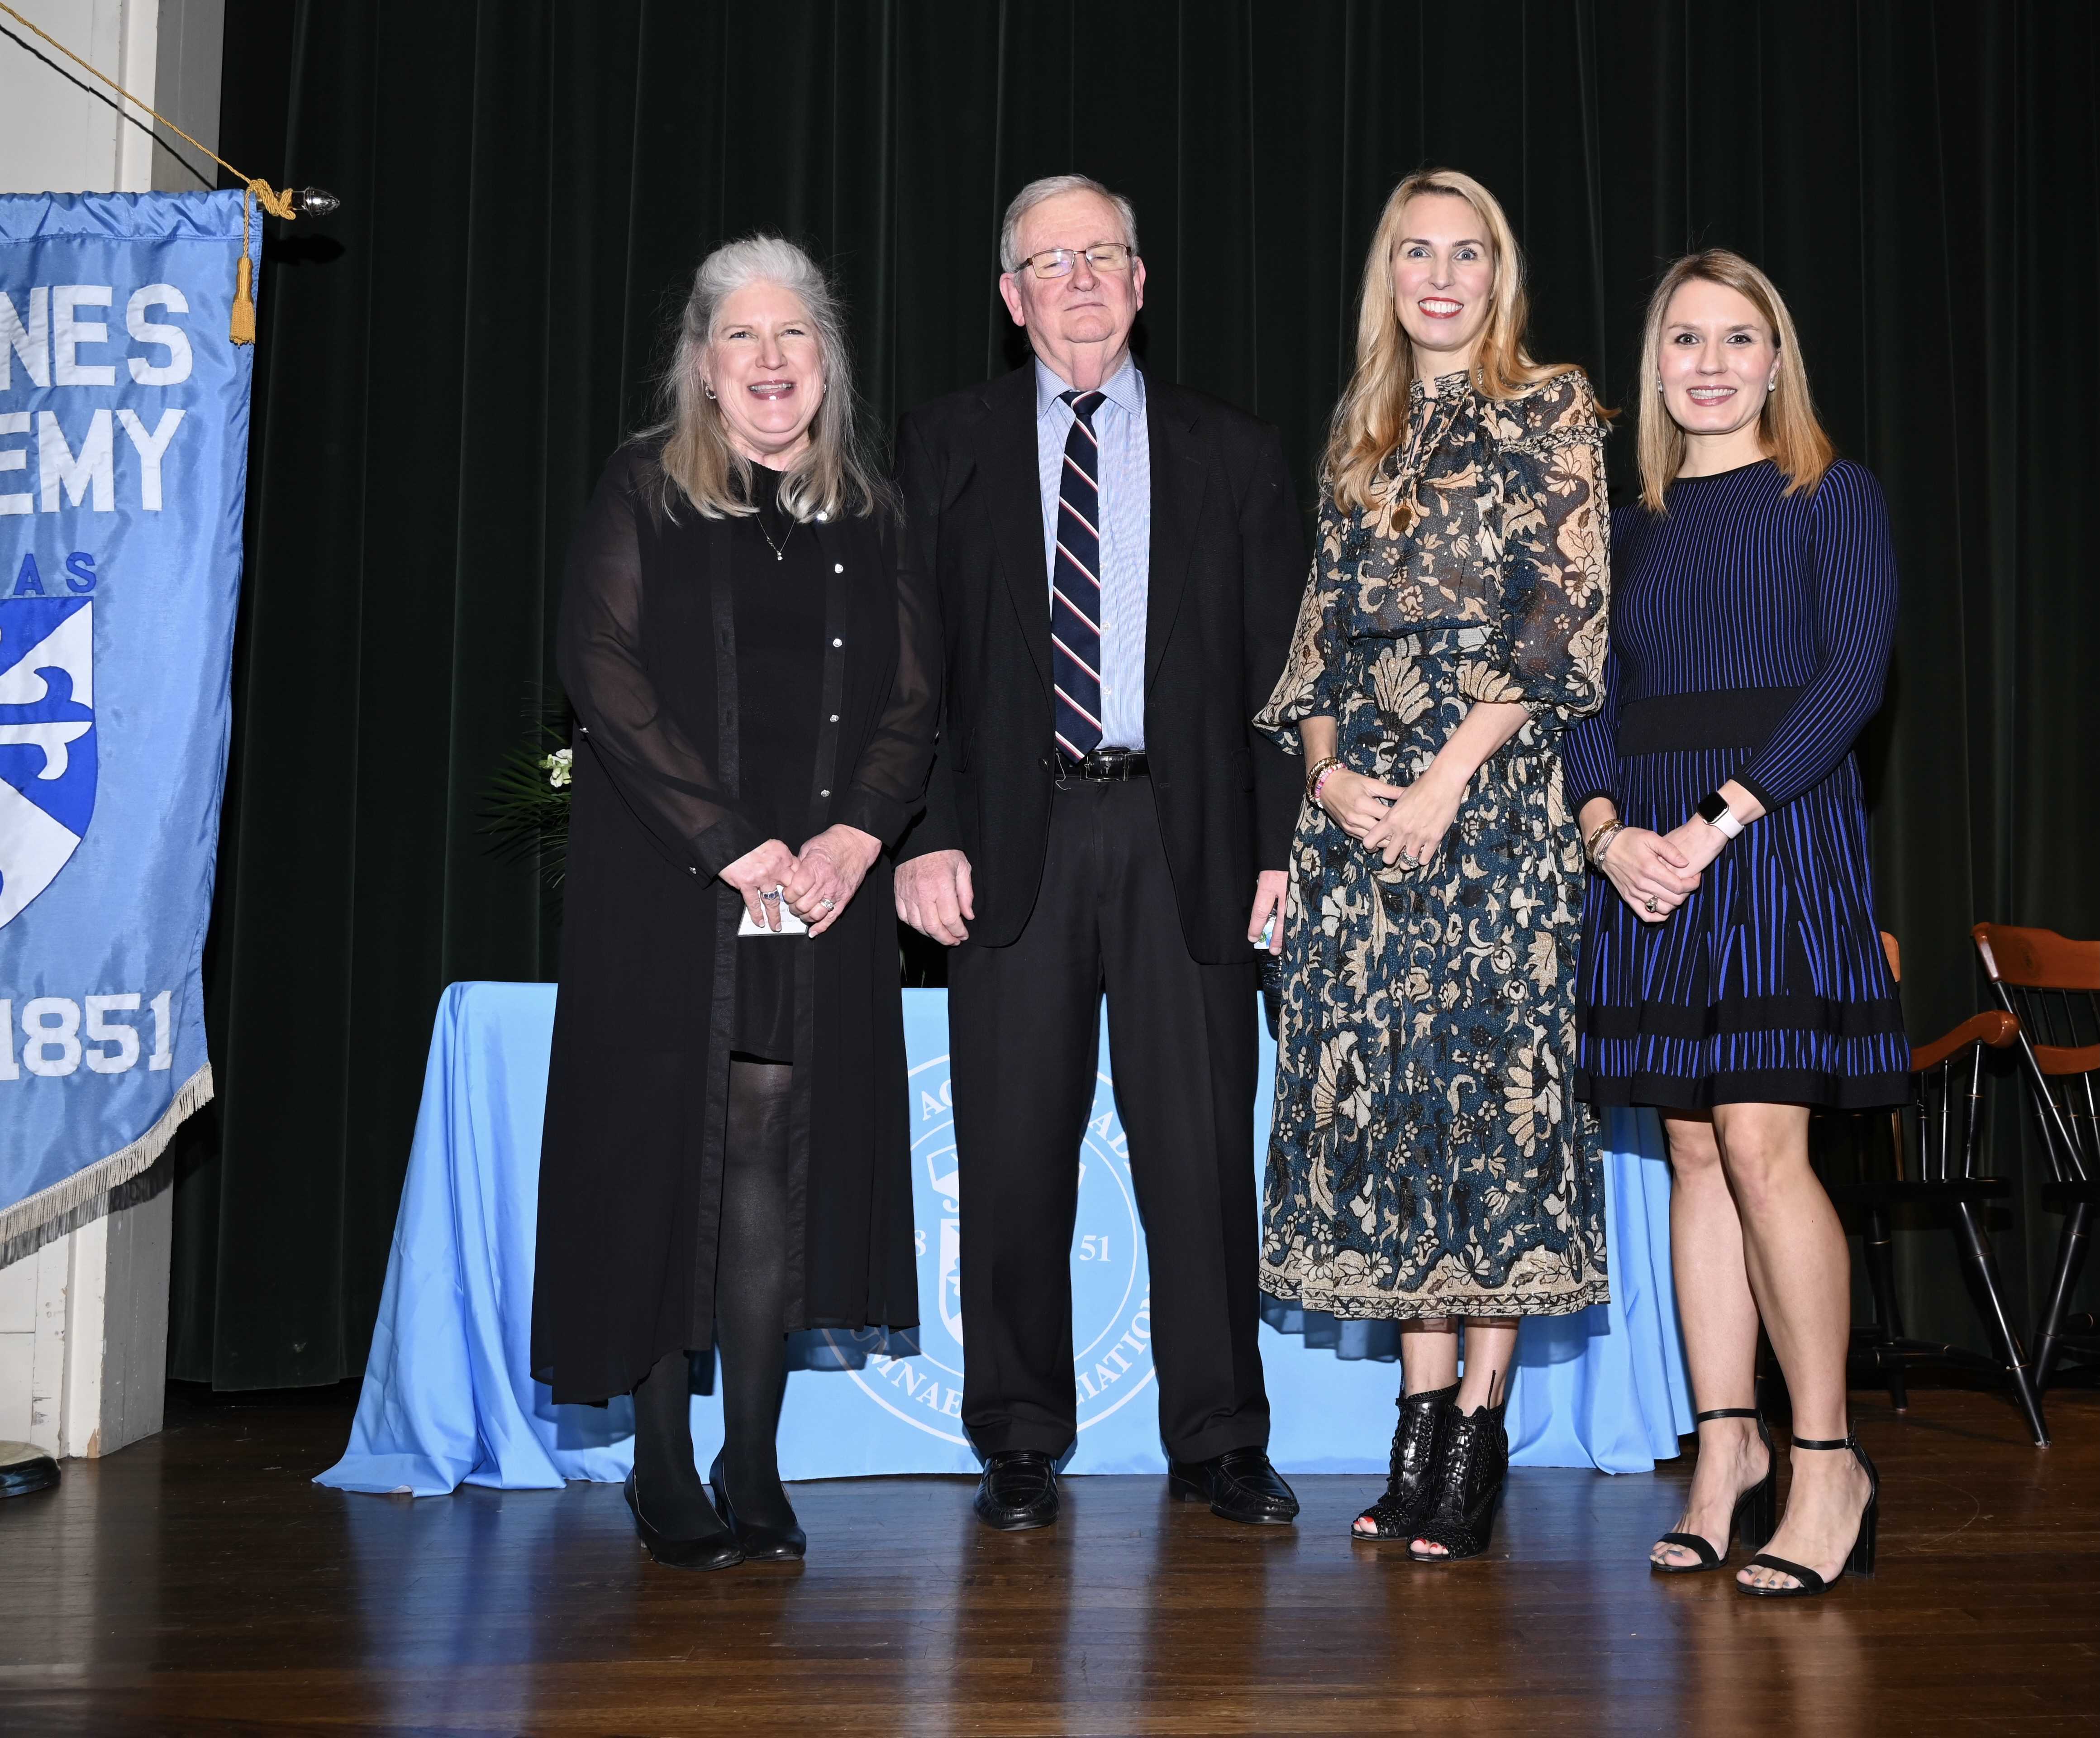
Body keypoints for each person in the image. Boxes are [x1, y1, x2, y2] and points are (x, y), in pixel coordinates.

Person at [892, 174, 1305, 1532]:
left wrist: (1279, 847)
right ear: (1009, 301)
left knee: (1196, 1156)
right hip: (1008, 839)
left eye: (1104, 256)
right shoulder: (939, 446)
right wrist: (921, 837)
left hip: (1187, 836)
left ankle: (1221, 1440)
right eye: (1048, 261)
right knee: (1013, 1154)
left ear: (1140, 283)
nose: (1079, 279)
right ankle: (1015, 1436)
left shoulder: (1235, 454)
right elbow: (912, 675)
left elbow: (1276, 678)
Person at [532, 236, 937, 1570]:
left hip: (817, 896)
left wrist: (852, 841)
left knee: (772, 1163)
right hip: (669, 887)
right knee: (665, 1154)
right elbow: (598, 668)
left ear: (826, 363)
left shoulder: (871, 511)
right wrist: (731, 844)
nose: (772, 364)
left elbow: (913, 703)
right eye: (744, 341)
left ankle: (750, 1460)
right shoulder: (646, 490)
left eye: (795, 338)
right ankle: (661, 1463)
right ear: (702, 367)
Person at [1256, 168, 1610, 1562]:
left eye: (1468, 254)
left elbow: (1561, 625)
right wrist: (1332, 775)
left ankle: (1480, 1422)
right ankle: (1415, 1419)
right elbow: (1318, 641)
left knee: (1491, 1109)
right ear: (1386, 275)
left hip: (1498, 820)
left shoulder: (1553, 407)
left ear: (1498, 273)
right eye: (1417, 253)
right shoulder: (1362, 431)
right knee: (1387, 1116)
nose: (1442, 277)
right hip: (1359, 836)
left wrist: (1448, 785)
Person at [1563, 248, 1903, 1597]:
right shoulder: (1622, 523)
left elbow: (1854, 675)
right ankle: (1726, 1454)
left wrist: (1715, 820)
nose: (1708, 363)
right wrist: (1606, 838)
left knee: (1764, 1151)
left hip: (1770, 833)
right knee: (1692, 1158)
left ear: (1776, 360)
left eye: (1736, 339)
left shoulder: (1833, 495)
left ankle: (1826, 1461)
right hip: (1643, 855)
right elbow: (1582, 701)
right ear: (1655, 363)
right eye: (1683, 339)